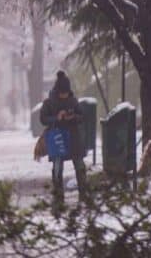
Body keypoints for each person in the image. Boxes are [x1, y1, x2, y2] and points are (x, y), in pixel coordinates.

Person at [40, 71, 88, 205]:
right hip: (58, 139)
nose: (65, 95)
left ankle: (83, 193)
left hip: (74, 138)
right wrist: (57, 118)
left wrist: (73, 117)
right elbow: (43, 119)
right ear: (58, 91)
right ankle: (58, 194)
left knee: (79, 165)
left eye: (66, 92)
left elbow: (82, 116)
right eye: (63, 92)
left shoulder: (73, 100)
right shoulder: (49, 102)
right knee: (57, 166)